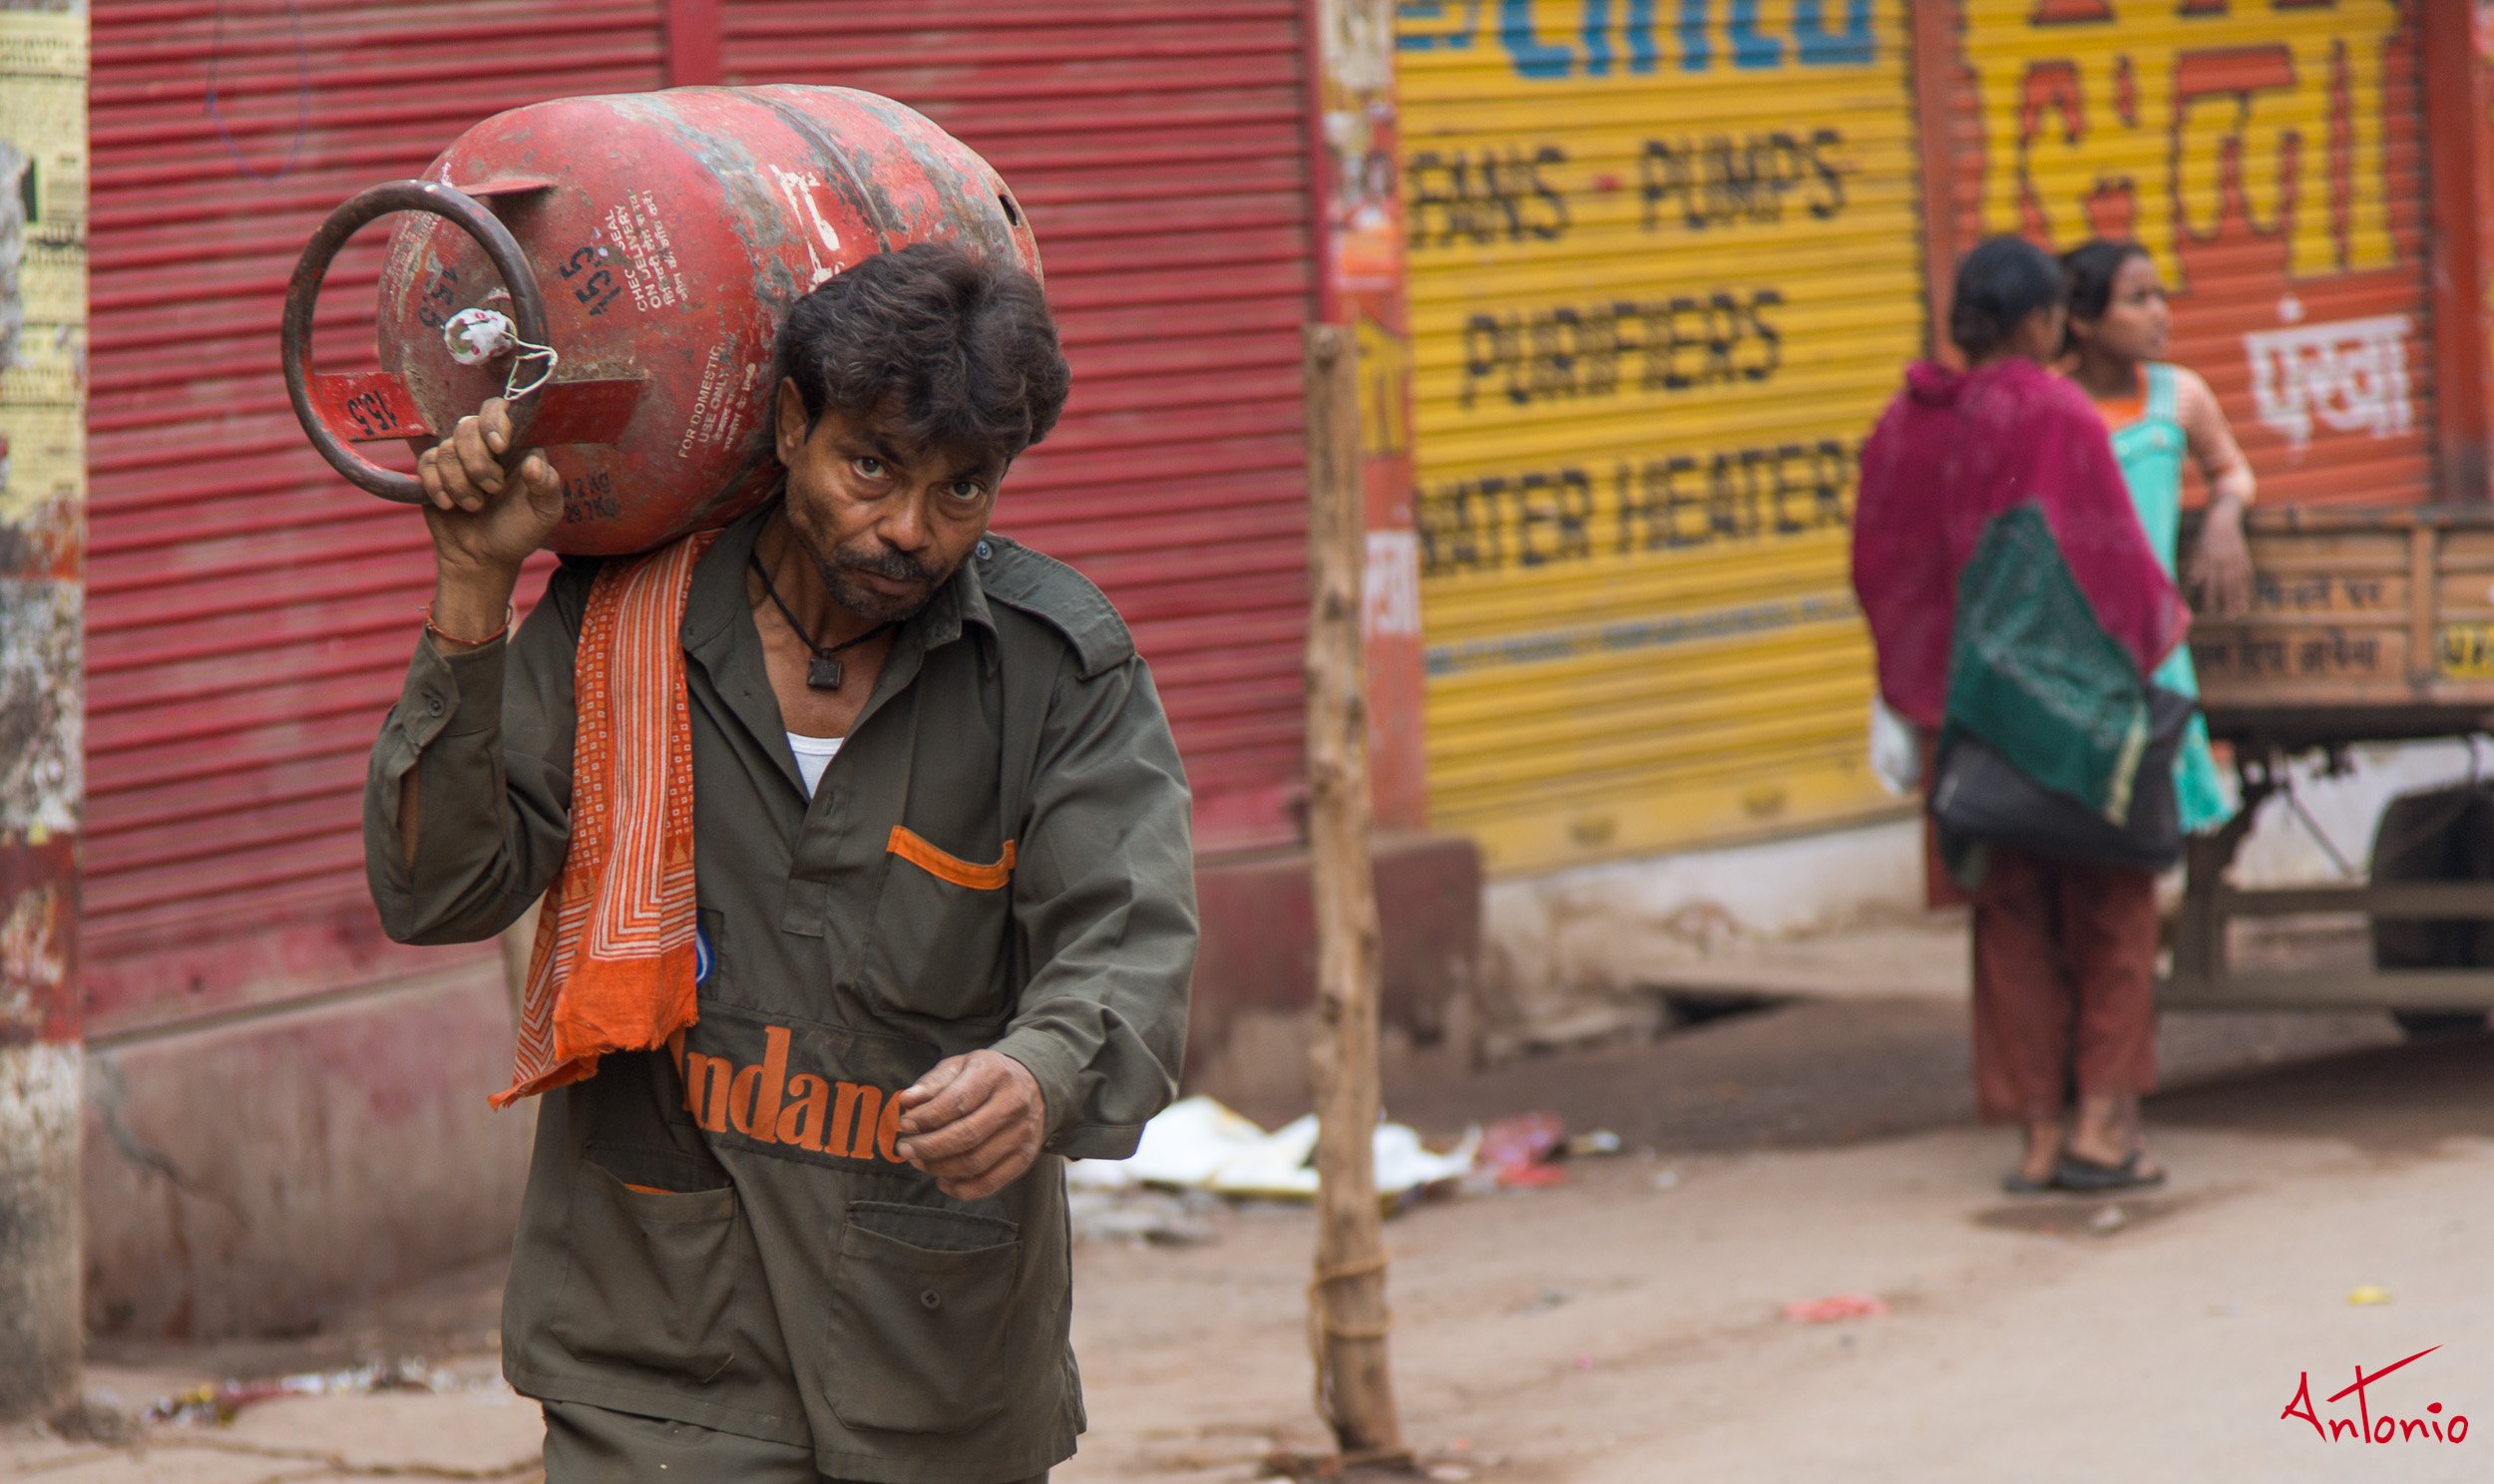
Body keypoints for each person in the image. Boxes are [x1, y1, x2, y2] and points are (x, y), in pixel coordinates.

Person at [362, 242, 1197, 1483]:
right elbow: (439, 891)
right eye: (873, 467)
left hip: (935, 1358)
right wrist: (475, 589)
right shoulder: (621, 622)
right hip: (654, 1356)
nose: (909, 528)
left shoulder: (1053, 670)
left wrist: (1037, 1075)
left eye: (962, 490)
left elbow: (1124, 941)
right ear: (793, 425)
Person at [1853, 235, 2188, 1195]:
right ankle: (2100, 1130)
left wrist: (1920, 693)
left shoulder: (1910, 423)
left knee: (2009, 928)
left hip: (1968, 722)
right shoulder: (2053, 410)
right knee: (2114, 915)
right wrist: (2146, 646)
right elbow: (2105, 559)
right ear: (2043, 321)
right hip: (2072, 716)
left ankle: (2038, 1137)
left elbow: (1886, 565)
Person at [2062, 236, 2258, 836]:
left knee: (2170, 793)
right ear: (2082, 320)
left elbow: (2232, 470)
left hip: (2156, 631)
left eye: (2159, 297)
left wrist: (2224, 519)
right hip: (2077, 632)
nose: (2159, 314)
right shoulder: (2054, 403)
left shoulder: (2182, 395)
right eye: (2136, 300)